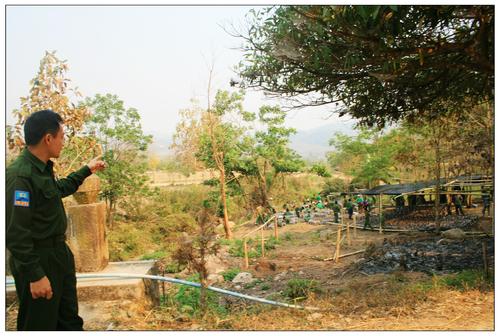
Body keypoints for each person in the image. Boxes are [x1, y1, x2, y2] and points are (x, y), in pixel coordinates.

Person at [6, 110, 106, 331]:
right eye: (61, 136)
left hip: (58, 255)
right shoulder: (19, 176)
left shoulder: (42, 170)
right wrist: (36, 275)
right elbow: (15, 232)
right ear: (48, 138)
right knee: (40, 324)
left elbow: (58, 189)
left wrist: (86, 170)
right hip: (39, 260)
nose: (63, 142)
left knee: (68, 321)